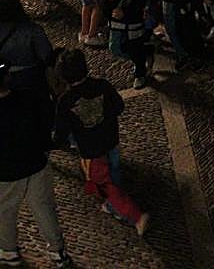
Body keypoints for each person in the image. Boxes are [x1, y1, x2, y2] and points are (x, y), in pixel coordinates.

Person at [53, 49, 150, 237]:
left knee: (104, 184)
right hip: (111, 140)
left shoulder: (65, 101)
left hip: (91, 150)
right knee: (113, 171)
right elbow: (119, 106)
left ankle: (135, 215)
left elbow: (61, 132)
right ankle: (114, 201)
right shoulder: (102, 86)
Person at [0, 63, 72, 268]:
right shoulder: (27, 97)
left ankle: (9, 251)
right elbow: (45, 124)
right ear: (6, 78)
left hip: (7, 173)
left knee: (5, 212)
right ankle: (58, 251)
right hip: (36, 164)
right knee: (44, 208)